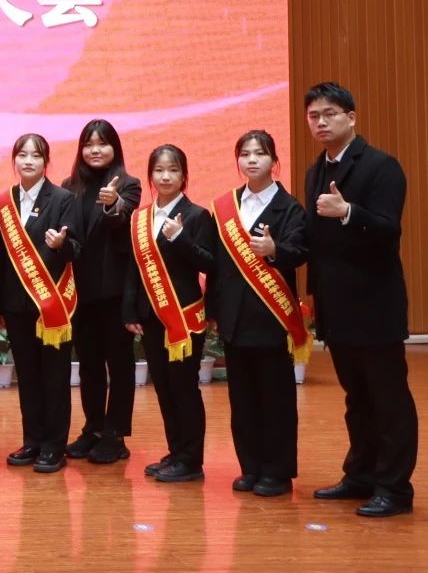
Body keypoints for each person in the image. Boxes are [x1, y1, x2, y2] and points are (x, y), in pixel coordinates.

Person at [303, 82, 416, 517]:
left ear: (351, 117)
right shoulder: (316, 170)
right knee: (357, 399)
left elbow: (389, 229)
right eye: (314, 116)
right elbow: (317, 239)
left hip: (375, 305)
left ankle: (394, 489)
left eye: (330, 113)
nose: (321, 122)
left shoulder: (382, 166)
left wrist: (349, 212)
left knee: (389, 400)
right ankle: (361, 475)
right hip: (336, 306)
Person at [206, 129, 308, 497]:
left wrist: (274, 250)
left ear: (274, 161)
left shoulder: (289, 207)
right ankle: (250, 467)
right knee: (243, 399)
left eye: (260, 154)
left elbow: (300, 251)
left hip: (270, 318)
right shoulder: (226, 207)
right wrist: (213, 309)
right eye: (245, 153)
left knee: (275, 398)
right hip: (234, 318)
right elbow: (217, 266)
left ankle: (277, 471)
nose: (252, 160)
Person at [0, 133, 79, 473]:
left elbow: (77, 249)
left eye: (36, 155)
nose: (29, 161)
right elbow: (2, 259)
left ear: (46, 161)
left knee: (55, 377)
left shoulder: (63, 198)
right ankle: (33, 440)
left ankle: (54, 446)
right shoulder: (4, 201)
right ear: (15, 160)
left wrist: (62, 245)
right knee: (29, 376)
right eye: (23, 155)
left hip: (51, 304)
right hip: (16, 304)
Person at [123, 144, 214, 483]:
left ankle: (191, 460)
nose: (165, 177)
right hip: (151, 316)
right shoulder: (139, 218)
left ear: (184, 175)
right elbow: (133, 268)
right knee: (163, 386)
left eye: (173, 170)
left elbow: (209, 263)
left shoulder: (196, 216)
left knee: (184, 388)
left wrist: (181, 240)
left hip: (184, 317)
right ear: (150, 175)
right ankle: (176, 451)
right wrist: (130, 310)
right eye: (159, 170)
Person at [60, 119, 142, 464]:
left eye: (102, 144)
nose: (95, 150)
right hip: (80, 292)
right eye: (89, 144)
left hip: (115, 292)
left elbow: (120, 222)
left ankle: (115, 434)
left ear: (114, 148)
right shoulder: (69, 187)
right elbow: (69, 235)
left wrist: (112, 204)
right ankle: (93, 428)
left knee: (119, 365)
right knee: (89, 364)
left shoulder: (129, 184)